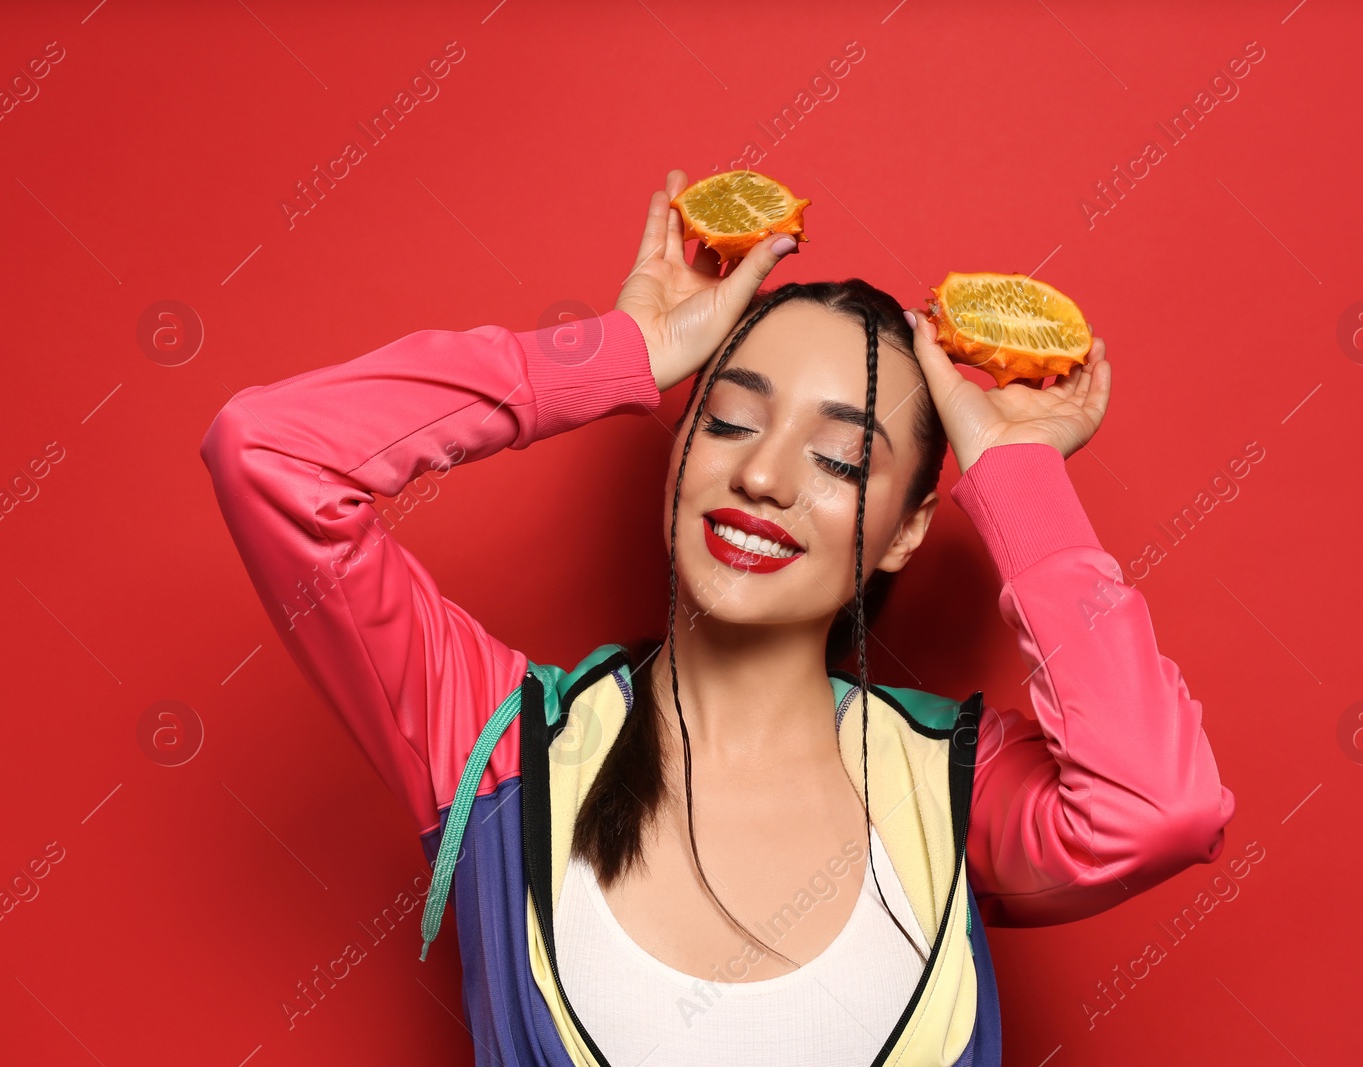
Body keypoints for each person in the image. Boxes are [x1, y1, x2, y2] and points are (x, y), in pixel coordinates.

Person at [200, 168, 1236, 1067]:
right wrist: (619, 351)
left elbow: (1158, 807)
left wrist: (1016, 473)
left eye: (839, 457)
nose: (763, 473)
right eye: (730, 419)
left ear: (910, 526)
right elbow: (271, 455)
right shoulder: (501, 742)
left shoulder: (947, 780)